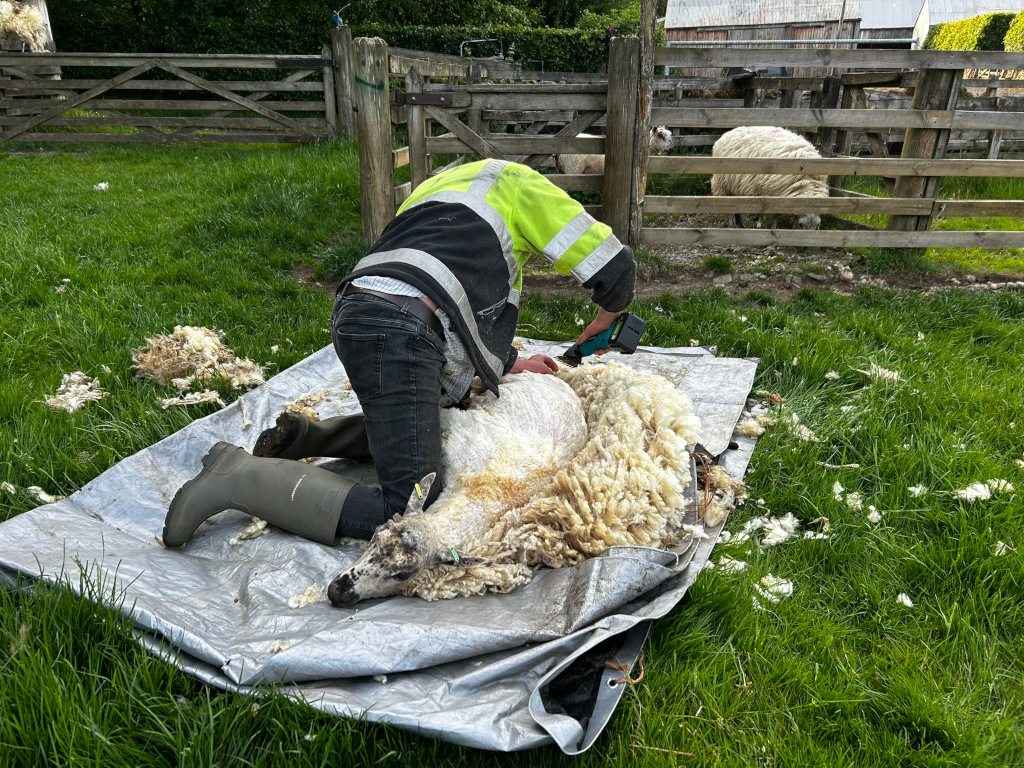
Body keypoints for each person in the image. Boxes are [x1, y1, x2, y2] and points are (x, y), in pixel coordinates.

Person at [162, 158, 637, 550]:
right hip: (402, 333)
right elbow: (613, 267)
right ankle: (236, 477)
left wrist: (508, 362)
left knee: (444, 416)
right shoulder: (515, 182)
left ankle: (312, 437)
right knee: (410, 506)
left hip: (357, 314)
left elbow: (446, 291)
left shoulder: (435, 191)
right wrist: (607, 317)